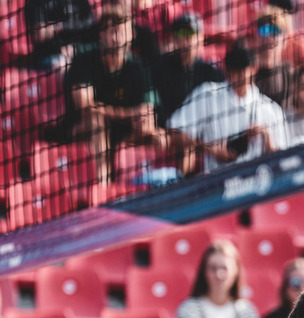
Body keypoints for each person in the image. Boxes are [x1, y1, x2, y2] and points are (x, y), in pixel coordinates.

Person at [63, 4, 164, 184]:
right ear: (101, 34)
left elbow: (147, 109)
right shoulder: (84, 59)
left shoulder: (138, 67)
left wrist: (140, 118)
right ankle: (103, 188)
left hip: (124, 131)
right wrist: (128, 114)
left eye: (122, 32)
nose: (117, 38)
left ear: (131, 35)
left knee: (158, 137)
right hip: (81, 128)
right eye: (111, 32)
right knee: (97, 123)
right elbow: (86, 108)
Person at [167, 40, 288, 173]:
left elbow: (284, 165)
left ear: (254, 69)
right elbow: (173, 131)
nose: (236, 76)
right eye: (233, 70)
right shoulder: (208, 94)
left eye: (242, 70)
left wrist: (267, 137)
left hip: (259, 184)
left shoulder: (271, 109)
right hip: (217, 182)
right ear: (226, 70)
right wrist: (209, 148)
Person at [174, 241, 264, 318]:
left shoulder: (246, 311)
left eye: (224, 268)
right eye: (213, 268)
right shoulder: (189, 309)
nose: (218, 274)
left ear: (235, 272)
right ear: (204, 272)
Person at [154, 13, 224, 126]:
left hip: (200, 134)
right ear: (175, 39)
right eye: (181, 33)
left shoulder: (210, 73)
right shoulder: (162, 68)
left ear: (199, 37)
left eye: (190, 32)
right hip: (170, 132)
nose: (186, 38)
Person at [25, 0, 93, 70]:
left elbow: (89, 24)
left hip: (77, 50)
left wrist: (58, 27)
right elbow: (39, 34)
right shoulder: (37, 2)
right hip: (50, 55)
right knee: (63, 65)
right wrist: (61, 49)